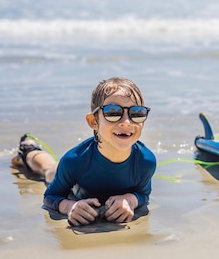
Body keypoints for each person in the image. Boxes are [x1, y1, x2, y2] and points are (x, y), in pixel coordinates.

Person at [11, 77, 156, 226]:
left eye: (137, 113)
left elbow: (143, 193)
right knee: (48, 170)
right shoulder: (74, 161)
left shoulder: (146, 161)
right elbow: (51, 196)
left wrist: (130, 199)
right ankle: (28, 149)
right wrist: (70, 207)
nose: (126, 122)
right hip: (75, 171)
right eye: (113, 112)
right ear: (93, 121)